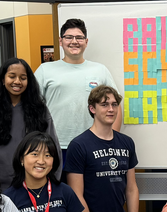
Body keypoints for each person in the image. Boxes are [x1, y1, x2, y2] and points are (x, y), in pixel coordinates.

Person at [34, 18, 120, 159]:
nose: (74, 41)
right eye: (69, 37)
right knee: (57, 182)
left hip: (94, 144)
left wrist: (112, 141)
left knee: (91, 182)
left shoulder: (100, 70)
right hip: (54, 145)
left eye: (79, 37)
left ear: (86, 42)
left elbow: (115, 105)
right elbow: (32, 107)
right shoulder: (45, 70)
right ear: (61, 41)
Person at [0, 57, 62, 190]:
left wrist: (53, 181)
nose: (17, 81)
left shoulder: (40, 110)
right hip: (1, 187)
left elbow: (53, 148)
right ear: (3, 79)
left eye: (23, 78)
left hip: (36, 184)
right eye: (12, 76)